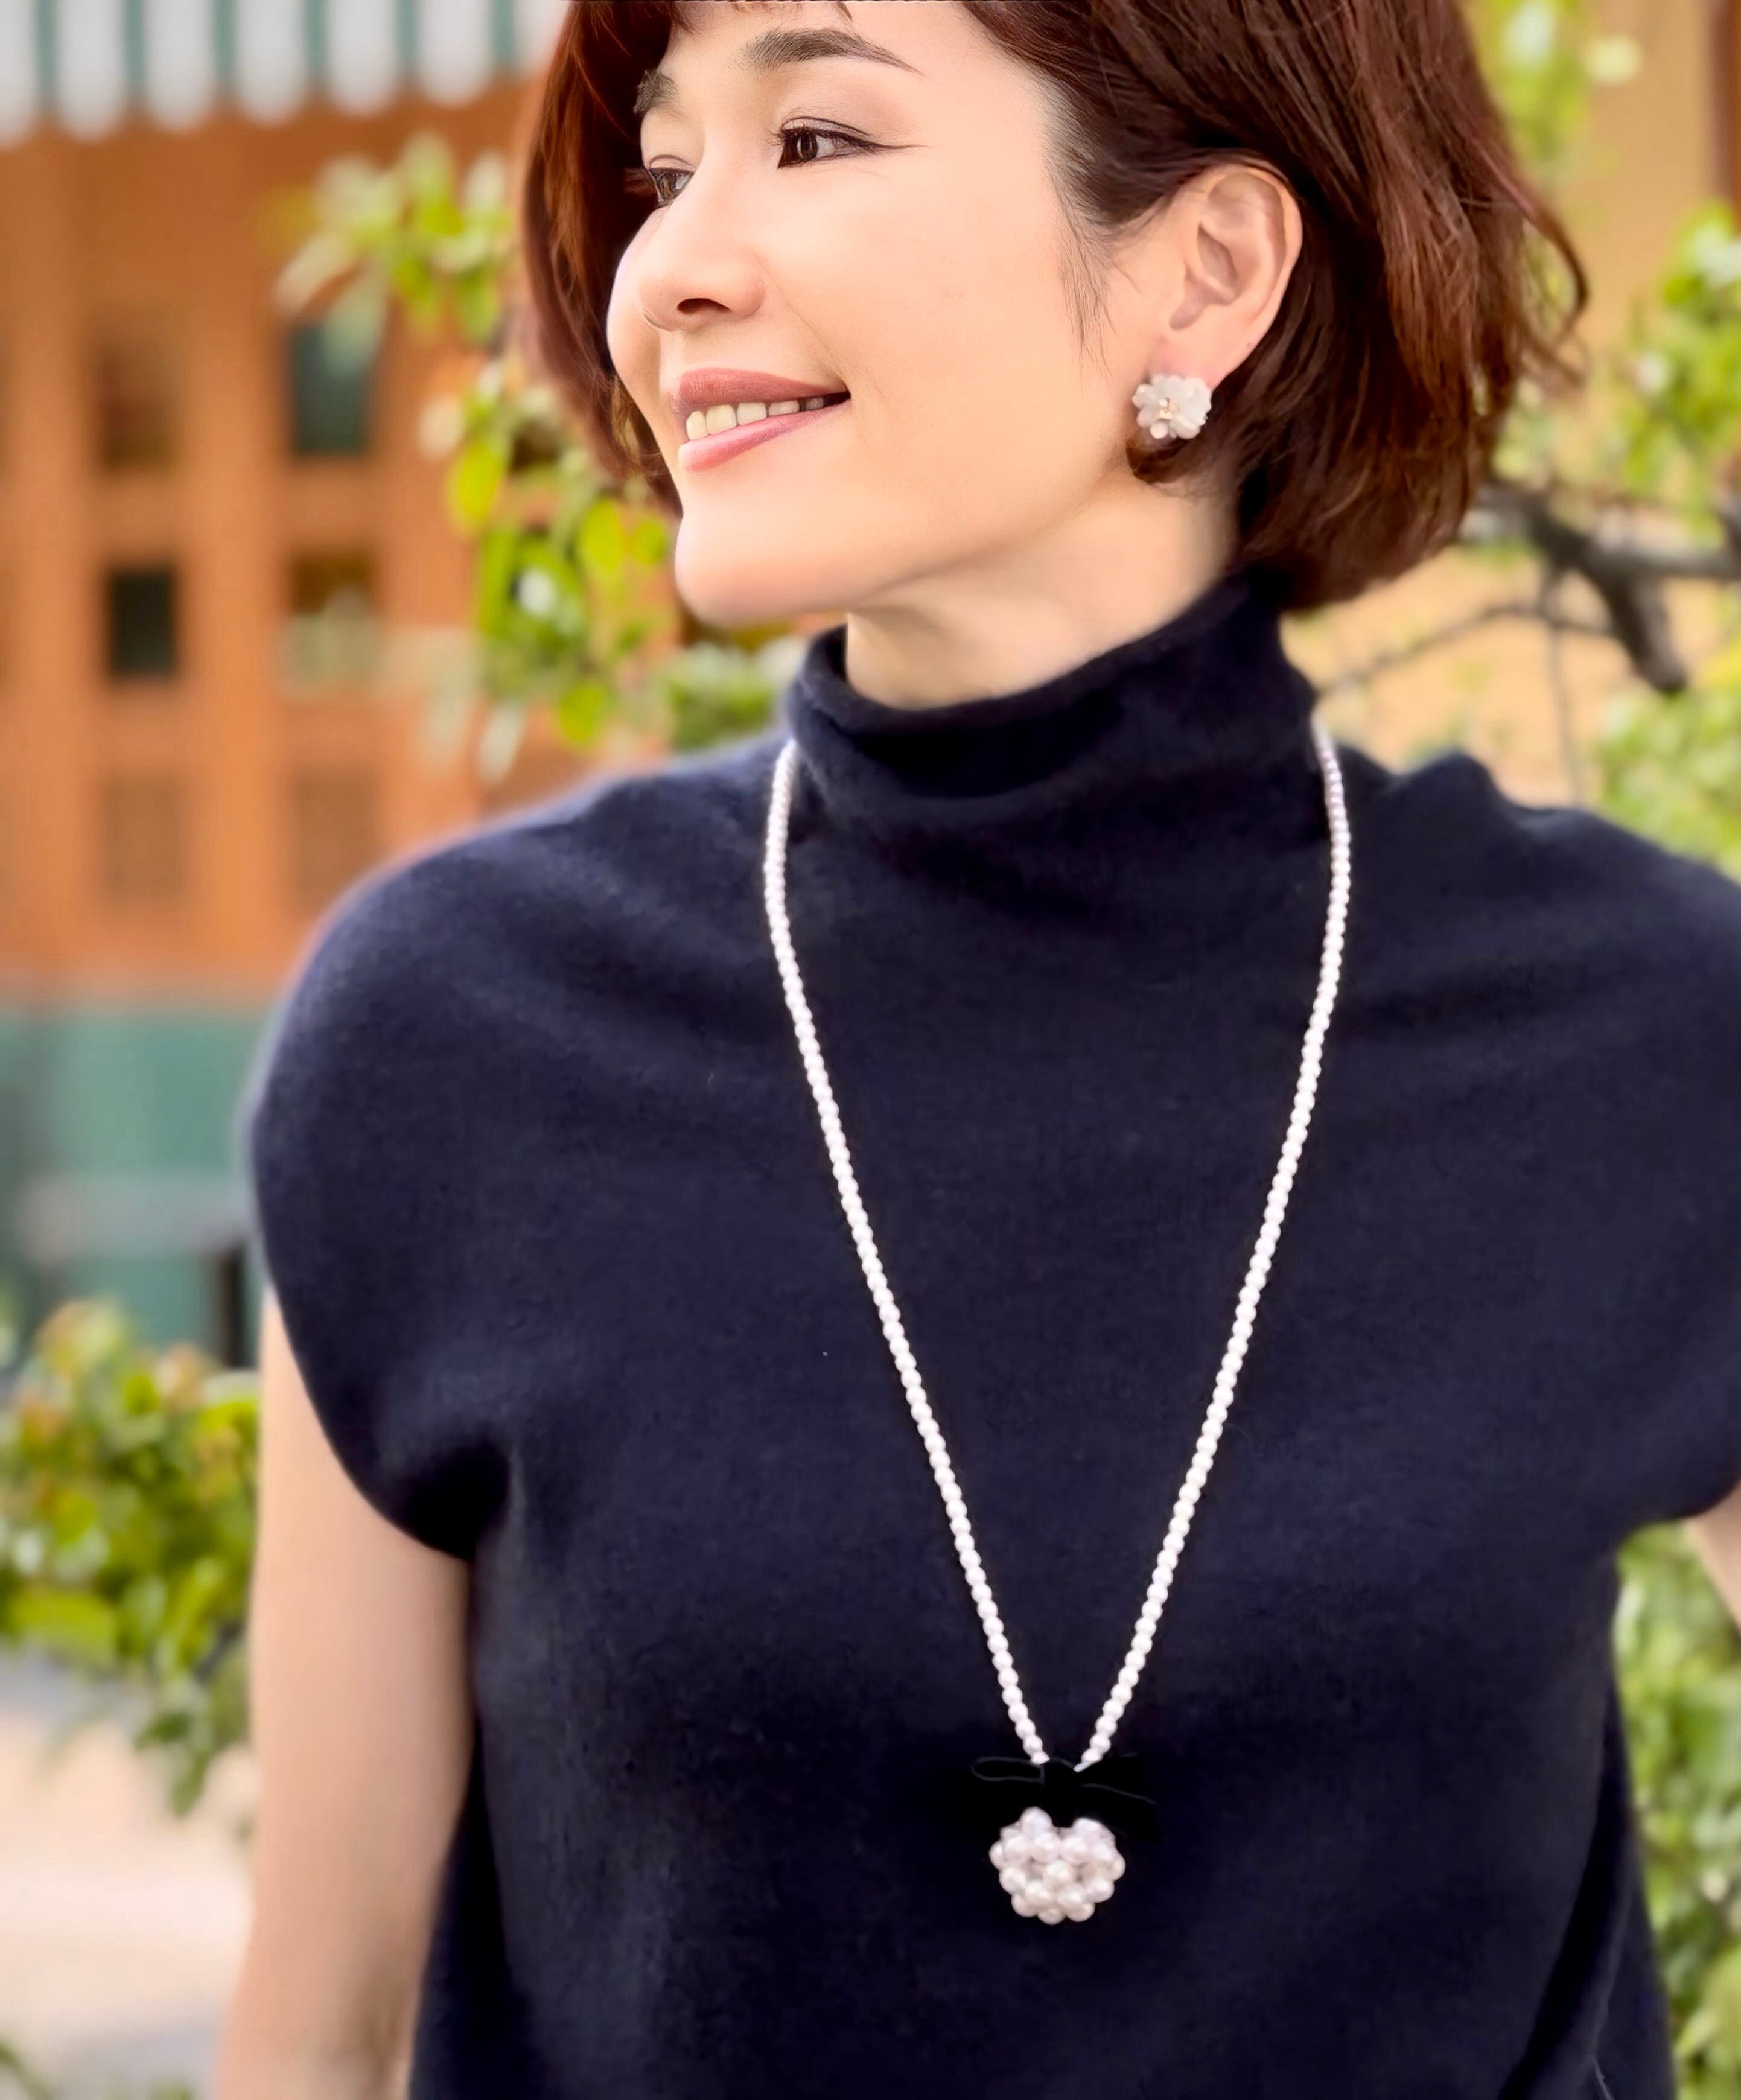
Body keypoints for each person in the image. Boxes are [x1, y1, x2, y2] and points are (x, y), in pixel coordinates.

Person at [214, 4, 1741, 2096]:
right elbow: (325, 2031)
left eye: (816, 137)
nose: (673, 269)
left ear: (1206, 269)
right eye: (666, 166)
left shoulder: (1642, 1031)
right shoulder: (452, 1041)